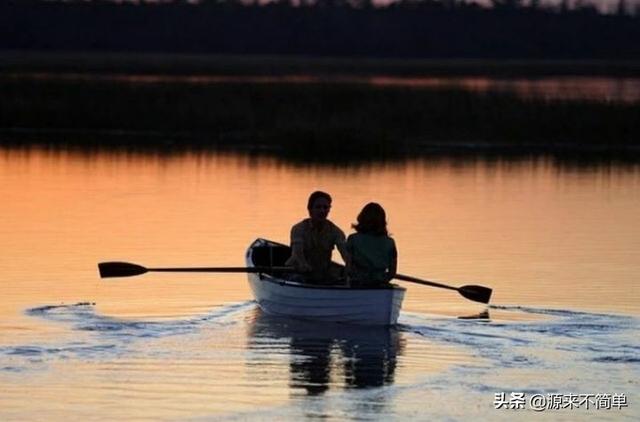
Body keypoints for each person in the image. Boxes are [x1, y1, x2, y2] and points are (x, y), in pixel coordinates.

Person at [285, 191, 349, 283]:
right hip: (297, 271)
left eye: (325, 207)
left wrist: (349, 266)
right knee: (297, 279)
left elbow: (345, 254)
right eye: (318, 207)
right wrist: (303, 265)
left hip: (322, 272)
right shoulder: (298, 229)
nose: (322, 211)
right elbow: (297, 253)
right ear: (310, 210)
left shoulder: (336, 231)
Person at [346, 202, 397, 287]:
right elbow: (392, 273)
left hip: (358, 283)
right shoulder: (390, 242)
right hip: (380, 283)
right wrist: (382, 279)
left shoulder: (352, 239)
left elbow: (348, 269)